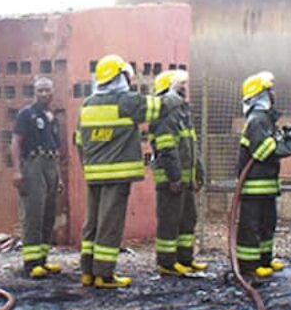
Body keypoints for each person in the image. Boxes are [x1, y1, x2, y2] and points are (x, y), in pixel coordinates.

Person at [76, 54, 164, 288]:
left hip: (94, 173)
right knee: (110, 224)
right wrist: (172, 92)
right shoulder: (126, 101)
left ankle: (87, 272)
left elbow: (79, 141)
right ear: (120, 77)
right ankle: (104, 275)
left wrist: (90, 166)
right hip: (116, 176)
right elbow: (158, 108)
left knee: (92, 222)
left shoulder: (87, 104)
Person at [236, 72, 291, 279]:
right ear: (260, 94)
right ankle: (248, 265)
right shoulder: (257, 120)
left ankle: (264, 260)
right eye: (269, 90)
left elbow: (274, 141)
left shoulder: (266, 119)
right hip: (254, 186)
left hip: (266, 185)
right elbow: (264, 151)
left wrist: (288, 135)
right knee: (251, 226)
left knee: (267, 224)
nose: (274, 93)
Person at [149, 69, 207, 275]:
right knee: (170, 221)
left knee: (187, 220)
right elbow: (166, 147)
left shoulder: (183, 113)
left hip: (185, 179)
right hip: (171, 180)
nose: (185, 88)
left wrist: (199, 172)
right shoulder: (166, 113)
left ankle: (185, 259)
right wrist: (174, 177)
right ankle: (167, 263)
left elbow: (192, 147)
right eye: (181, 84)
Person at [11, 76, 63, 278]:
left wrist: (59, 177)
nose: (43, 94)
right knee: (33, 214)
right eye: (40, 90)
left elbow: (56, 149)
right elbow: (16, 142)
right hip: (33, 165)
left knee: (48, 214)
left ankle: (43, 260)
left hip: (51, 165)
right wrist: (17, 171)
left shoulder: (53, 118)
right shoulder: (26, 114)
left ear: (52, 92)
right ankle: (31, 263)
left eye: (46, 90)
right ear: (35, 92)